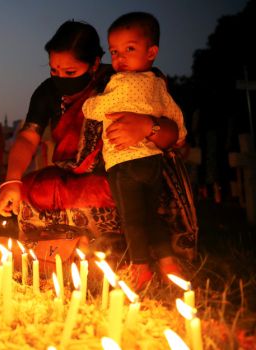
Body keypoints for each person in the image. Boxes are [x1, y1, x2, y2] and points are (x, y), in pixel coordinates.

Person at [0, 21, 185, 270]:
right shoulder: (47, 92)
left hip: (118, 170)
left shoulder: (127, 80)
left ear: (94, 64)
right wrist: (12, 181)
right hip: (71, 174)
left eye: (70, 73)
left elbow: (173, 134)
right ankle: (53, 255)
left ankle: (129, 257)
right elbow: (28, 137)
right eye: (54, 71)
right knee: (28, 190)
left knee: (121, 189)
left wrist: (148, 126)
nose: (61, 79)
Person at [82, 12, 187, 288]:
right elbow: (175, 117)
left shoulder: (120, 82)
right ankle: (167, 261)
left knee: (132, 220)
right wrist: (180, 137)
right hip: (152, 162)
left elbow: (97, 109)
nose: (120, 58)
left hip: (123, 163)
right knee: (150, 215)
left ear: (151, 52)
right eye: (115, 51)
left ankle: (141, 268)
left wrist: (89, 105)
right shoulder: (157, 85)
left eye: (130, 49)